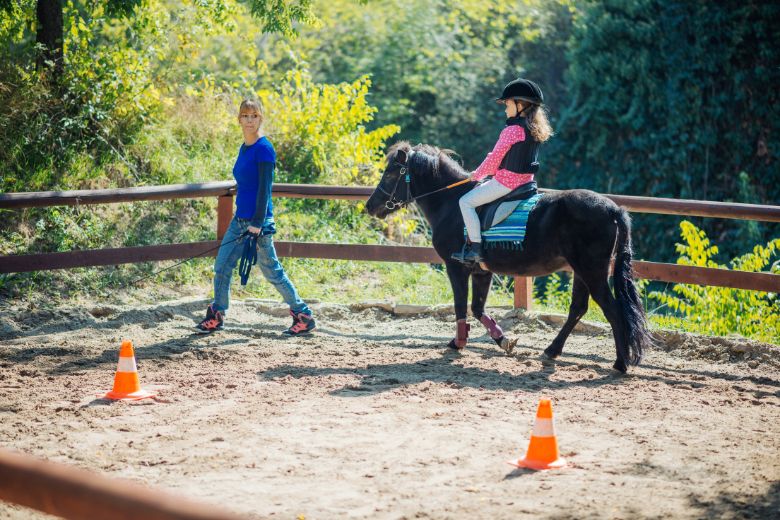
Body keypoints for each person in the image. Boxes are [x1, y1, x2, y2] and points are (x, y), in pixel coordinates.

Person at [196, 99, 316, 335]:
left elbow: (265, 190)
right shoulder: (244, 147)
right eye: (245, 116)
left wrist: (257, 224)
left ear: (261, 118)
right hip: (239, 220)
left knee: (272, 272)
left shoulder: (264, 149)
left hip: (257, 225)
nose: (249, 120)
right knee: (221, 267)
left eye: (254, 116)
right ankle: (217, 314)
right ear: (239, 119)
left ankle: (303, 315)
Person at [452, 78, 553, 264]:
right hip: (527, 183)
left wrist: (477, 174)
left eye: (507, 104)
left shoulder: (512, 130)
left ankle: (475, 249)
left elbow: (494, 159)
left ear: (520, 104)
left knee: (465, 202)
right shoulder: (534, 129)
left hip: (506, 183)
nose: (506, 109)